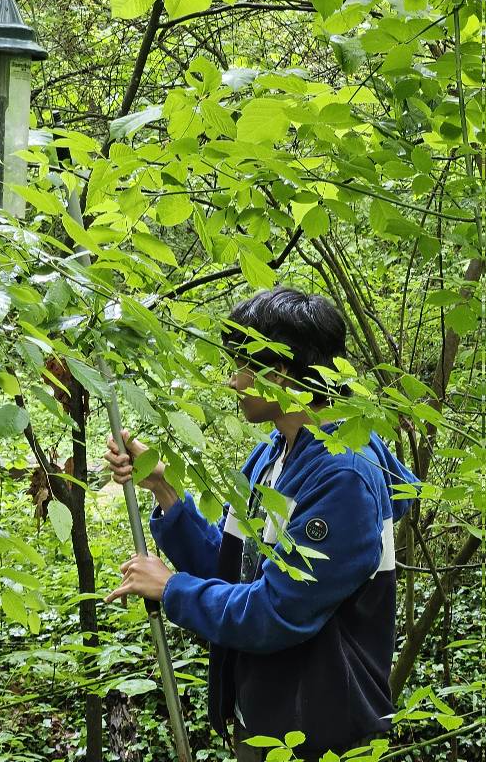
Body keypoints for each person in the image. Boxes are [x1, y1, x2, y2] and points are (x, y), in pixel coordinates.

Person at [104, 287, 417, 761]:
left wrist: (171, 589)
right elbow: (232, 570)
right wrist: (166, 492)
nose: (233, 382)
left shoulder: (345, 477)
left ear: (280, 372)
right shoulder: (273, 455)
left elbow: (277, 612)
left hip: (319, 734)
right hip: (267, 714)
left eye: (241, 366)